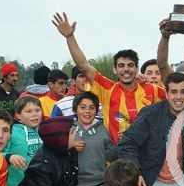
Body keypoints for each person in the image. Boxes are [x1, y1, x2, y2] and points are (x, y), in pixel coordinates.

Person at [52, 12, 166, 143]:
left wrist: (165, 37)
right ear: (114, 69)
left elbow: (176, 98)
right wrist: (70, 37)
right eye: (121, 66)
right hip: (115, 153)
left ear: (136, 68)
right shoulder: (107, 89)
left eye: (130, 65)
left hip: (145, 154)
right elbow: (83, 65)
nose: (126, 69)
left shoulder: (152, 90)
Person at [118, 73, 184, 186]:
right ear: (166, 94)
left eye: (183, 92)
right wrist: (135, 172)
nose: (179, 97)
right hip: (152, 184)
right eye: (174, 92)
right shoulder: (151, 114)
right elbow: (128, 142)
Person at [72, 92, 115, 186]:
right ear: (75, 109)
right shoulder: (69, 130)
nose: (87, 111)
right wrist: (70, 146)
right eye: (83, 107)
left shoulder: (103, 129)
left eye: (91, 108)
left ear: (96, 110)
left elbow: (112, 156)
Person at [3, 95, 43, 186]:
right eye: (29, 111)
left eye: (37, 110)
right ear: (18, 116)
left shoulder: (44, 132)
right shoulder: (11, 132)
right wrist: (10, 157)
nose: (34, 114)